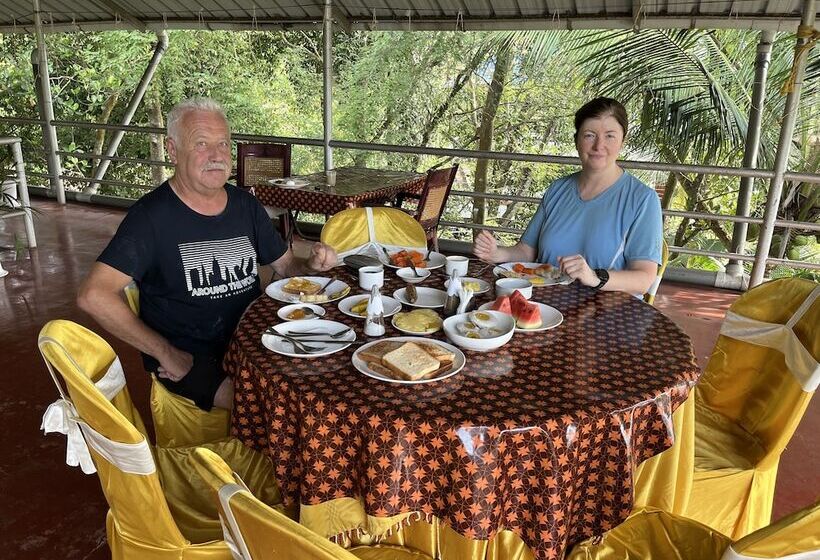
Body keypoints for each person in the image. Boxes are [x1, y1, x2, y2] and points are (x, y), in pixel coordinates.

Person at [77, 97, 337, 411]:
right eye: (201, 143)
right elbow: (94, 295)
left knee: (327, 379)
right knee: (278, 411)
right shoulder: (151, 218)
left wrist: (310, 265)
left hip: (255, 344)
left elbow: (285, 267)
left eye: (223, 144)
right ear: (173, 150)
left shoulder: (245, 206)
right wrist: (166, 352)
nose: (216, 156)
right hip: (196, 361)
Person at [473, 97, 662, 296]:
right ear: (577, 140)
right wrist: (497, 253)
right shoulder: (558, 189)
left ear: (623, 141)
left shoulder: (642, 199)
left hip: (606, 315)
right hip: (545, 303)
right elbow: (527, 251)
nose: (599, 145)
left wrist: (594, 277)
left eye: (610, 136)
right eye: (589, 135)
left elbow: (643, 279)